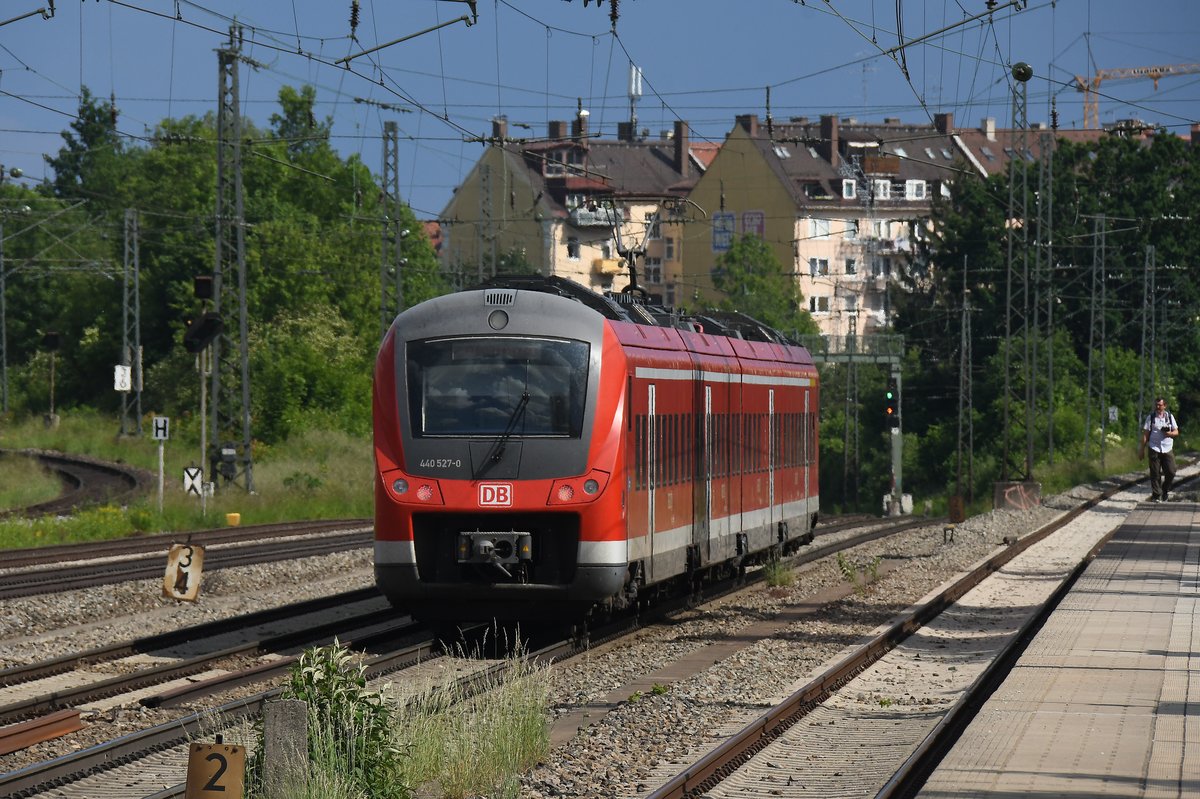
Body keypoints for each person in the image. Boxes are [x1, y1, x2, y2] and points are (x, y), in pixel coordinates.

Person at [1138, 397, 1178, 502]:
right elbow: (1145, 435)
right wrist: (1141, 449)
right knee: (1155, 473)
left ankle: (1165, 489)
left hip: (1167, 447)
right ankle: (1156, 495)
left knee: (1171, 471)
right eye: (1156, 405)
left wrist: (1170, 434)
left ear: (1164, 406)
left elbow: (1176, 431)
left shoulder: (1169, 417)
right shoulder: (1150, 418)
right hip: (1154, 447)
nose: (1158, 407)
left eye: (1160, 405)